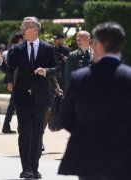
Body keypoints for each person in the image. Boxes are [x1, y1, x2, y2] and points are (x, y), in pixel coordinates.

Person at [58, 22, 131, 180]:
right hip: (124, 154)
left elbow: (65, 118)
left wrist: (87, 131)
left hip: (88, 154)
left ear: (97, 45)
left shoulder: (80, 77)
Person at [0, 16, 57, 179]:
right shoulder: (17, 49)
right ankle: (26, 168)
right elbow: (9, 69)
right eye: (22, 26)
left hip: (41, 98)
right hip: (22, 98)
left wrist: (46, 71)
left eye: (25, 26)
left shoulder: (48, 48)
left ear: (35, 29)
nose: (22, 29)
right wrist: (1, 61)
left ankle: (34, 169)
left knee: (37, 134)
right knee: (24, 133)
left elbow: (57, 69)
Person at [1, 33, 23, 134]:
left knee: (13, 105)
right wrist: (10, 82)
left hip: (21, 82)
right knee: (13, 105)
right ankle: (7, 126)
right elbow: (10, 68)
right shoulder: (13, 50)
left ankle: (7, 126)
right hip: (14, 82)